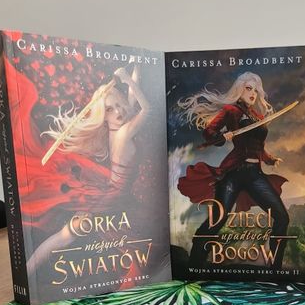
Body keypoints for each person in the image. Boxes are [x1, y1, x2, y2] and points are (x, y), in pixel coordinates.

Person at [25, 65, 151, 276]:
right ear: (103, 116)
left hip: (114, 195)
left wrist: (134, 68)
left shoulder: (121, 126)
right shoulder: (123, 134)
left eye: (118, 105)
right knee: (67, 235)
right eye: (109, 109)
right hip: (113, 200)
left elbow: (130, 101)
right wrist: (127, 78)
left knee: (67, 235)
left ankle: (28, 271)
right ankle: (27, 273)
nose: (118, 111)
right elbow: (148, 109)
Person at [177, 71, 290, 268]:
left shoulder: (256, 116)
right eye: (249, 88)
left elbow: (258, 146)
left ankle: (275, 268)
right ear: (240, 89)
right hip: (234, 173)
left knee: (282, 217)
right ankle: (194, 264)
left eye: (256, 90)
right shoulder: (231, 110)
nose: (253, 93)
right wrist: (222, 136)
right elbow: (209, 132)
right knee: (218, 220)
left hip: (255, 174)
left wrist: (270, 159)